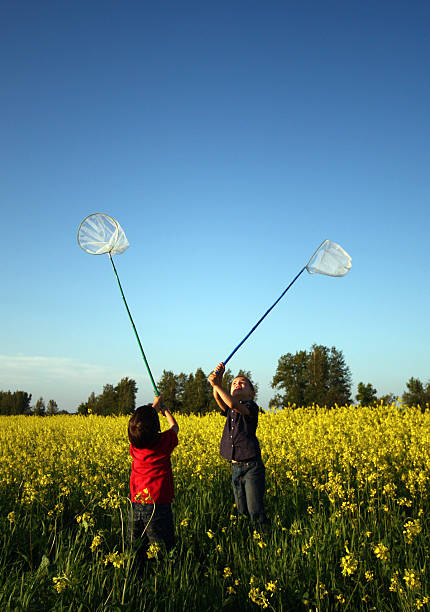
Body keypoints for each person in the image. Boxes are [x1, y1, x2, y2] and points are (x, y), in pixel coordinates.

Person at [208, 362, 268, 525]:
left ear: (251, 393)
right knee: (241, 510)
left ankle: (263, 537)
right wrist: (218, 377)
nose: (237, 384)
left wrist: (217, 384)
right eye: (234, 383)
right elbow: (218, 396)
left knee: (255, 509)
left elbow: (233, 403)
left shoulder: (250, 407)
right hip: (235, 466)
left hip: (252, 468)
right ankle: (246, 537)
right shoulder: (230, 409)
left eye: (242, 383)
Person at [127, 395, 179, 564]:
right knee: (162, 545)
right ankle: (164, 575)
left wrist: (154, 407)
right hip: (158, 504)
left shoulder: (135, 447)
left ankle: (135, 573)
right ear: (156, 428)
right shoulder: (163, 443)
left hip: (136, 503)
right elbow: (174, 427)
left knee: (135, 545)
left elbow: (142, 426)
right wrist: (165, 412)